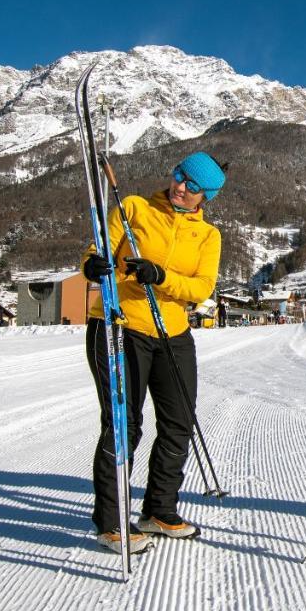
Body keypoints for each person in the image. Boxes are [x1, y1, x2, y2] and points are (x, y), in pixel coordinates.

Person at [82, 151, 226, 554]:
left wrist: (160, 276)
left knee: (179, 422)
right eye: (180, 176)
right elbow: (98, 253)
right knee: (124, 425)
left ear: (206, 197)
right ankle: (111, 522)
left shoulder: (209, 236)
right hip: (119, 325)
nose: (182, 187)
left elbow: (200, 288)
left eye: (193, 186)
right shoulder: (134, 208)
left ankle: (159, 510)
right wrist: (94, 266)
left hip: (173, 334)